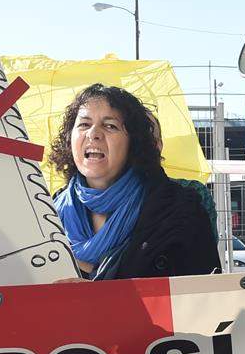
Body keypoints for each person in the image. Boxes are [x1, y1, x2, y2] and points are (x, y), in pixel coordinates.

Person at [49, 84, 220, 279]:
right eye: (84, 124)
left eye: (110, 125)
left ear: (134, 143)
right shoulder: (47, 212)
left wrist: (100, 298)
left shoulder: (180, 208)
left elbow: (201, 297)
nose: (93, 133)